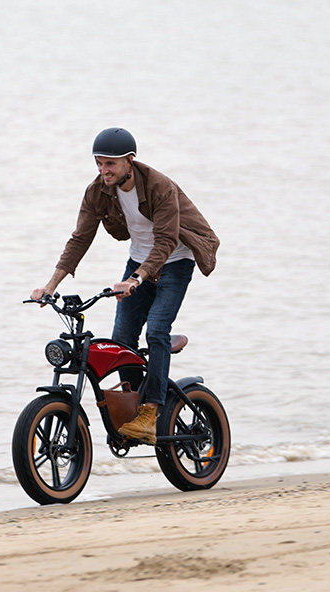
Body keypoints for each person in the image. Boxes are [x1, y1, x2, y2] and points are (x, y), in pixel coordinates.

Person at [30, 127, 219, 444]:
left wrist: (136, 279)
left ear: (129, 161)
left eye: (110, 164)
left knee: (156, 330)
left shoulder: (159, 187)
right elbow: (80, 239)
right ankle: (135, 403)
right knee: (121, 340)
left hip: (175, 261)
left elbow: (166, 241)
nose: (103, 170)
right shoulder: (97, 191)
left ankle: (151, 412)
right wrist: (50, 285)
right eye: (99, 163)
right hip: (138, 263)